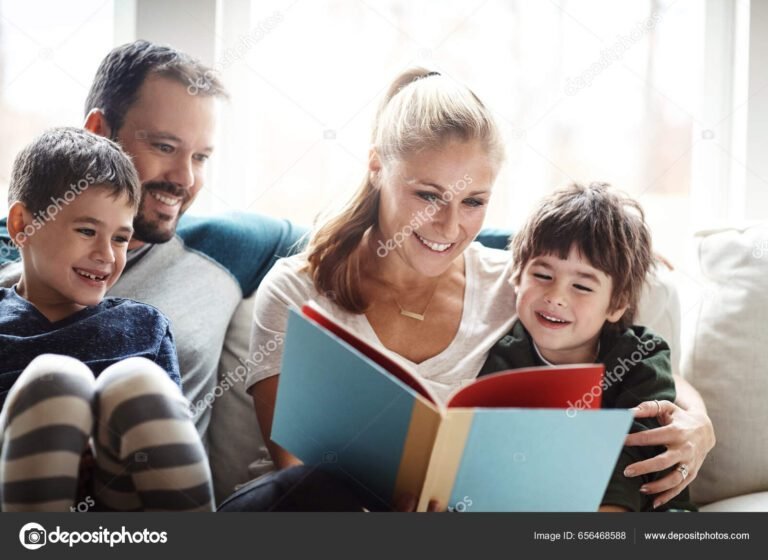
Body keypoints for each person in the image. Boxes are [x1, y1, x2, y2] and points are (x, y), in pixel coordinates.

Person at [219, 69, 714, 512]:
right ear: (376, 167)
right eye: (427, 195)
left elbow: (639, 359)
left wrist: (698, 422)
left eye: (473, 201)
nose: (449, 226)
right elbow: (291, 461)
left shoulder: (519, 284)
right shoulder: (296, 286)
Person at [0, 41, 304, 451]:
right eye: (164, 147)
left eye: (200, 157)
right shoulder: (24, 235)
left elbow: (344, 239)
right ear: (98, 132)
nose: (184, 178)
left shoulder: (222, 245)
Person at [0, 127, 212, 511]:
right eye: (86, 230)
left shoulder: (145, 328)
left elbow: (170, 443)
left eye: (119, 239)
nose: (106, 255)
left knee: (136, 380)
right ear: (21, 225)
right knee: (55, 379)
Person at [479, 182, 696, 511]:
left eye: (581, 285)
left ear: (616, 304)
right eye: (542, 274)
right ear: (516, 276)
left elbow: (636, 455)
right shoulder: (502, 356)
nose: (556, 297)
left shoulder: (641, 356)